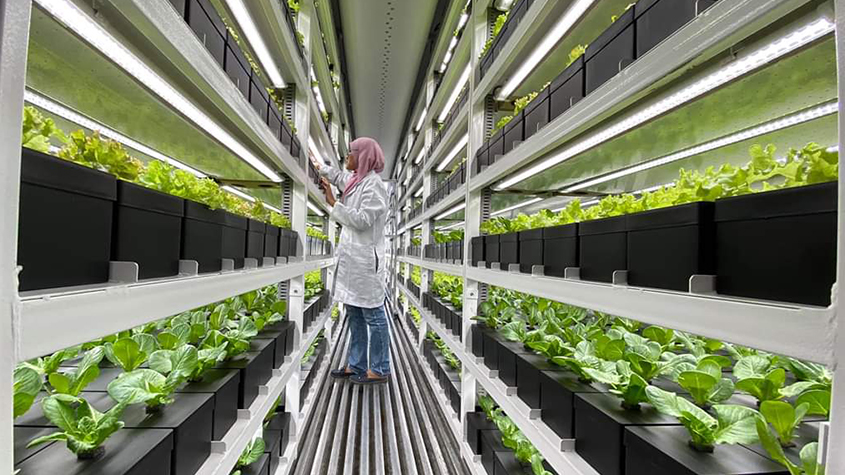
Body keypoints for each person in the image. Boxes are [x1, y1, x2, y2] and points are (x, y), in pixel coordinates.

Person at [311, 137, 391, 385]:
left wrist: (334, 204)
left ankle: (379, 368)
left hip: (365, 262)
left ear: (364, 156)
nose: (347, 157)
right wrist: (318, 166)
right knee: (354, 312)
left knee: (374, 315)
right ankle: (356, 364)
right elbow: (338, 177)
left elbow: (361, 220)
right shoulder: (358, 180)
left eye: (351, 153)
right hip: (353, 262)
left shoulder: (374, 186)